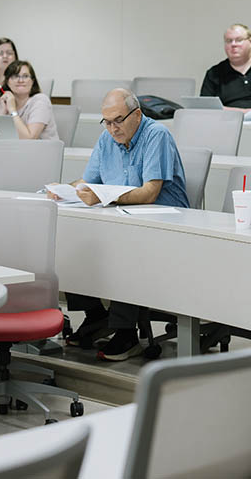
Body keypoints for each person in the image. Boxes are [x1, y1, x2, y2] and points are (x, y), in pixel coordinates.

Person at [51, 88, 189, 361]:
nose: (112, 128)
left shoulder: (156, 135)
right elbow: (87, 181)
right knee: (77, 240)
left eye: (118, 120)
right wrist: (63, 190)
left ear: (136, 114)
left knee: (124, 246)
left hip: (165, 223)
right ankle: (96, 315)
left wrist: (109, 196)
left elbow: (150, 192)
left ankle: (125, 332)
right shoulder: (106, 139)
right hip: (124, 217)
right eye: (107, 122)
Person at [0, 60, 59, 140]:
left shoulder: (41, 101)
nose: (20, 80)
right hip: (13, 150)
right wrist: (2, 112)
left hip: (41, 151)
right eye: (15, 76)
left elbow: (29, 139)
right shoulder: (4, 101)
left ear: (32, 81)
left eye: (25, 76)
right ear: (7, 82)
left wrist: (12, 110)